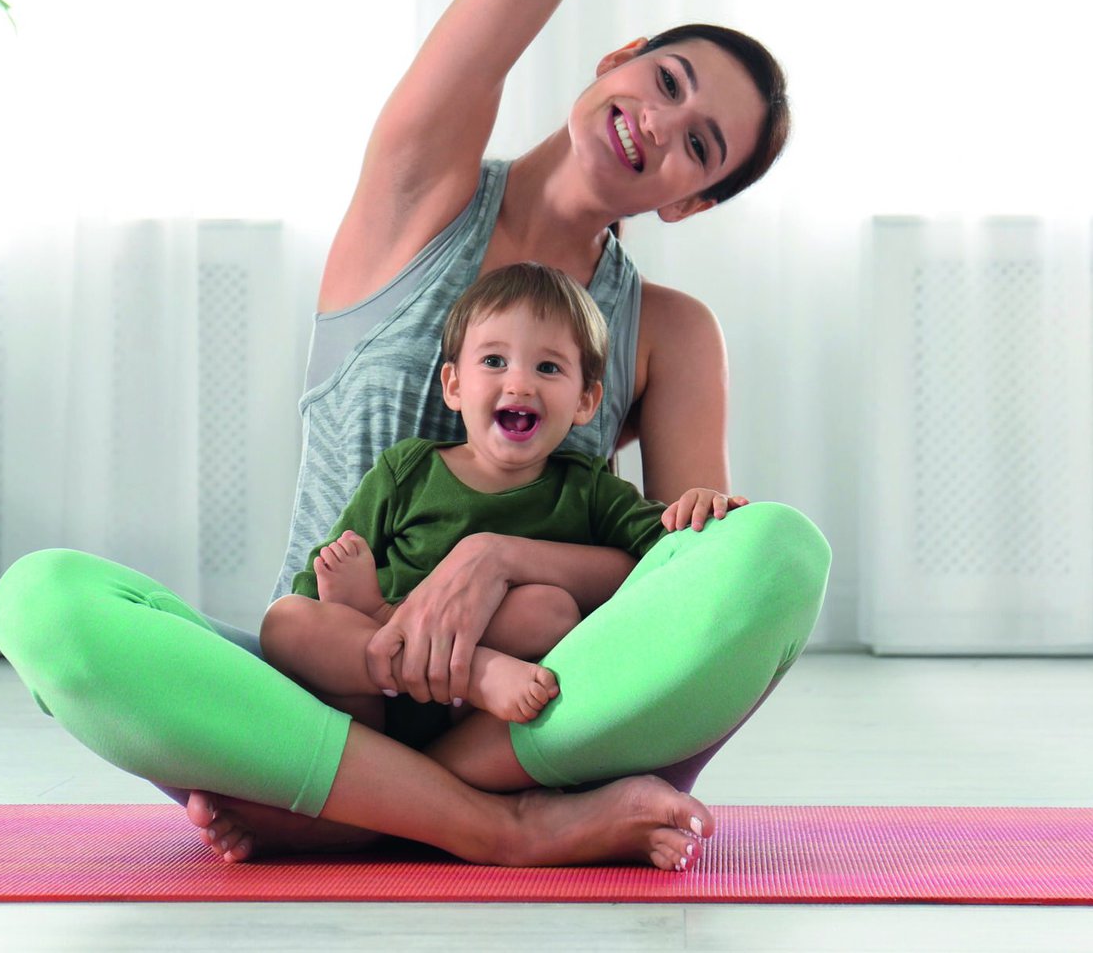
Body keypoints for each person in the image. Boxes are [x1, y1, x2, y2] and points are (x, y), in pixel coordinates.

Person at [0, 0, 989, 872]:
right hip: (320, 687)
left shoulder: (672, 334)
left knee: (779, 553)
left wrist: (494, 555)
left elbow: (664, 585)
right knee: (44, 602)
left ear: (688, 201)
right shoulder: (420, 188)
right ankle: (487, 825)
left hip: (519, 706)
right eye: (666, 80)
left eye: (697, 143)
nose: (659, 121)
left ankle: (338, 804)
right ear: (617, 62)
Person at [261, 262, 748, 741]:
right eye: (494, 361)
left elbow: (666, 548)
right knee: (285, 621)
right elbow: (317, 580)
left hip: (477, 720)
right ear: (454, 386)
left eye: (548, 367)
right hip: (375, 693)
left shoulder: (588, 488)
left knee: (549, 610)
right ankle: (450, 659)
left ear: (585, 401)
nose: (519, 383)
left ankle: (408, 649)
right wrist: (335, 596)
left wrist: (704, 506)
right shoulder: (407, 470)